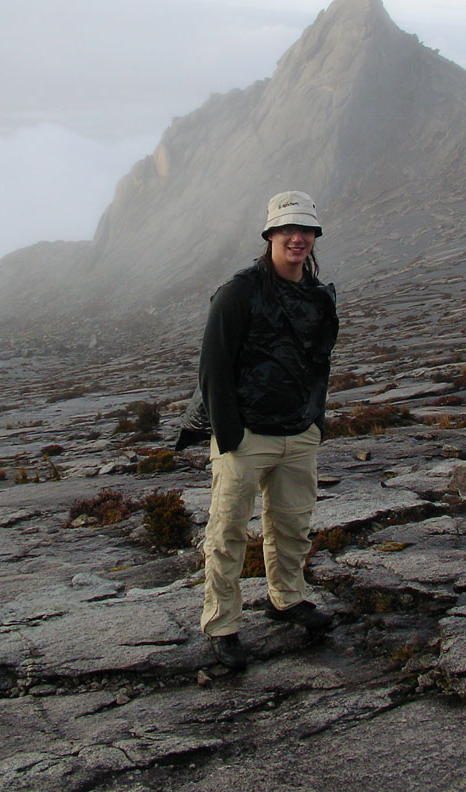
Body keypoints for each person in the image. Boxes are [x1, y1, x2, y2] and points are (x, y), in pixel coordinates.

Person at [177, 191, 339, 670]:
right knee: (227, 533)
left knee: (292, 525)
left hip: (298, 433)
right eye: (287, 230)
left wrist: (315, 423)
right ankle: (221, 625)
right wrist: (230, 437)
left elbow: (318, 363)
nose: (297, 238)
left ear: (315, 236)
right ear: (270, 235)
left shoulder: (318, 296)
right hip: (246, 436)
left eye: (306, 230)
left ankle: (286, 599)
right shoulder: (238, 293)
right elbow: (213, 368)